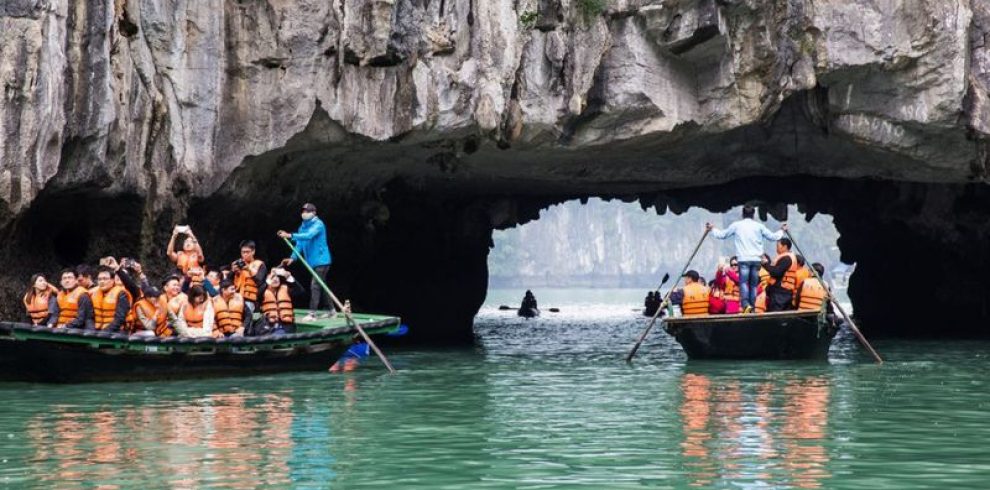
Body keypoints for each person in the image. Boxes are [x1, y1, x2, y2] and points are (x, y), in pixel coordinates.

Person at [706, 205, 787, 313]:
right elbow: (773, 237)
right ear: (753, 215)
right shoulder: (759, 226)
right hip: (756, 259)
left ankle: (745, 305)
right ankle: (752, 307)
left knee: (743, 283)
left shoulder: (737, 225)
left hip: (743, 259)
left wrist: (712, 229)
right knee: (753, 285)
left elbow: (722, 235)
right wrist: (782, 231)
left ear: (742, 214)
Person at [278, 202, 333, 321]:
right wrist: (293, 258)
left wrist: (289, 235)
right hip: (313, 261)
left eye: (307, 211)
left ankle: (312, 313)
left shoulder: (318, 224)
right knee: (322, 285)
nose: (304, 213)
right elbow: (299, 245)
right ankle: (331, 310)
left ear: (314, 213)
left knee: (315, 285)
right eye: (303, 211)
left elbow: (308, 236)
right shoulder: (302, 227)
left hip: (322, 260)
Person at [258, 268, 304, 335]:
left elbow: (300, 291)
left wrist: (289, 277)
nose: (275, 279)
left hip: (287, 324)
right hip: (270, 325)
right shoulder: (263, 292)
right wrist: (270, 277)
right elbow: (258, 295)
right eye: (273, 277)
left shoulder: (286, 289)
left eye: (277, 277)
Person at [761, 238, 799, 312]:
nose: (776, 248)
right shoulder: (786, 257)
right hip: (782, 291)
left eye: (778, 246)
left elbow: (777, 272)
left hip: (781, 292)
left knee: (775, 313)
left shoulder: (787, 258)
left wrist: (765, 264)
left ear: (784, 247)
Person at [91, 266, 131, 332]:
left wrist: (105, 332)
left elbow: (120, 318)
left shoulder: (121, 294)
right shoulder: (93, 294)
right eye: (99, 279)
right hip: (98, 330)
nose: (102, 281)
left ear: (112, 280)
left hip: (116, 331)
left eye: (105, 279)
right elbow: (90, 317)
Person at [232, 240, 267, 313]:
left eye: (247, 252)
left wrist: (249, 270)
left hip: (250, 300)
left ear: (253, 252)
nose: (245, 254)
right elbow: (228, 282)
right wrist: (233, 271)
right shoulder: (237, 264)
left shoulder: (260, 264)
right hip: (236, 298)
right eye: (243, 252)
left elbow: (260, 282)